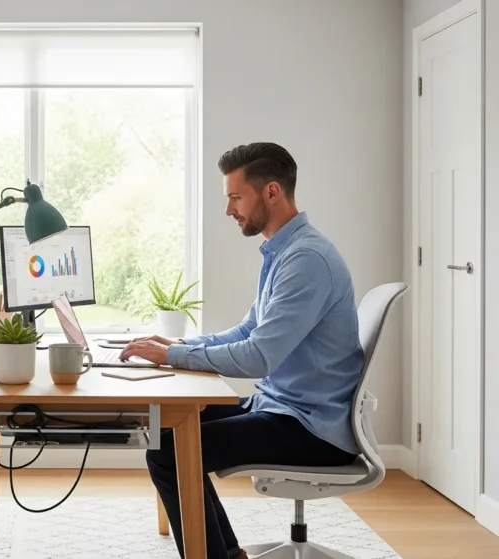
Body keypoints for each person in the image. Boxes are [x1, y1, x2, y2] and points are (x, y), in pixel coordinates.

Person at [119, 142, 365, 559]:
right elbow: (250, 328)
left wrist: (173, 358)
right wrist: (181, 345)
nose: (229, 210)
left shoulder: (306, 259)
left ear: (271, 192)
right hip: (282, 407)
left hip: (311, 428)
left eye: (235, 197)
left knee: (169, 451)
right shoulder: (284, 251)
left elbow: (257, 356)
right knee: (168, 431)